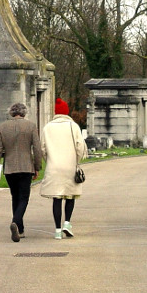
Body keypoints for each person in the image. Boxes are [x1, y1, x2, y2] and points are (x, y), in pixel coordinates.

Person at [0, 102, 42, 242]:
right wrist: (37, 167)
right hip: (26, 167)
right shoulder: (31, 126)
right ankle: (16, 221)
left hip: (10, 168)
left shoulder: (2, 127)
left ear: (11, 113)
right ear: (24, 113)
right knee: (24, 197)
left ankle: (20, 229)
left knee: (15, 196)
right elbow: (37, 148)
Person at [40, 97, 87, 240]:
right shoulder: (73, 126)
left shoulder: (47, 127)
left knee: (57, 198)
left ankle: (57, 230)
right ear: (66, 112)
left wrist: (49, 160)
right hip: (69, 166)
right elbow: (80, 147)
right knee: (70, 195)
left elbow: (43, 149)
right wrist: (76, 161)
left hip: (54, 166)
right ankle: (67, 222)